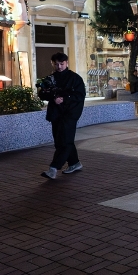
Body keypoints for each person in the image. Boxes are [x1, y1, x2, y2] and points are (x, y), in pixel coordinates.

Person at [39, 52, 85, 180]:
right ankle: (74, 163)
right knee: (61, 140)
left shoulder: (75, 78)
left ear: (67, 63)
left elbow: (80, 95)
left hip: (70, 114)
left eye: (61, 64)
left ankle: (53, 168)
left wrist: (64, 98)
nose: (59, 67)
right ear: (52, 64)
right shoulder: (50, 78)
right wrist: (52, 97)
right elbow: (42, 94)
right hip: (56, 114)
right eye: (56, 64)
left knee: (64, 141)